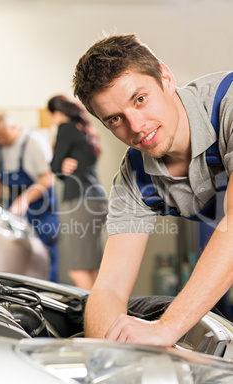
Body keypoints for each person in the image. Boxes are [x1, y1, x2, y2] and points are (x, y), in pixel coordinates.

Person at [72, 33, 233, 346]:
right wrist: (111, 361)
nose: (136, 126)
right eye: (115, 119)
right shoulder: (135, 178)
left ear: (166, 78)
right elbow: (110, 289)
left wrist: (166, 328)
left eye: (140, 99)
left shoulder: (229, 104)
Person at [0, 114, 59, 282]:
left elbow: (48, 178)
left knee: (44, 256)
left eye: (4, 135)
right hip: (14, 210)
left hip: (42, 209)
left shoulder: (34, 142)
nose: (1, 140)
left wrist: (24, 200)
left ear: (14, 128)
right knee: (16, 254)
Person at [47, 95, 107, 290]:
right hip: (97, 200)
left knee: (78, 269)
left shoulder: (65, 128)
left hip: (80, 201)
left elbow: (55, 165)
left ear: (57, 114)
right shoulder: (87, 131)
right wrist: (63, 168)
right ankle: (106, 316)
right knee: (91, 268)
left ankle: (94, 319)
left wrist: (59, 167)